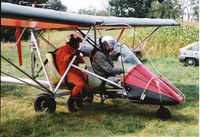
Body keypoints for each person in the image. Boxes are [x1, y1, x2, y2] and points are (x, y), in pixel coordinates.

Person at [56, 34, 86, 112]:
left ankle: (79, 99)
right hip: (67, 72)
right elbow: (65, 59)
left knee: (87, 78)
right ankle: (71, 102)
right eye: (77, 42)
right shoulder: (64, 49)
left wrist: (91, 56)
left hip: (74, 70)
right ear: (72, 42)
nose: (78, 44)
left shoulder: (72, 50)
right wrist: (72, 55)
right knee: (80, 84)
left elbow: (81, 59)